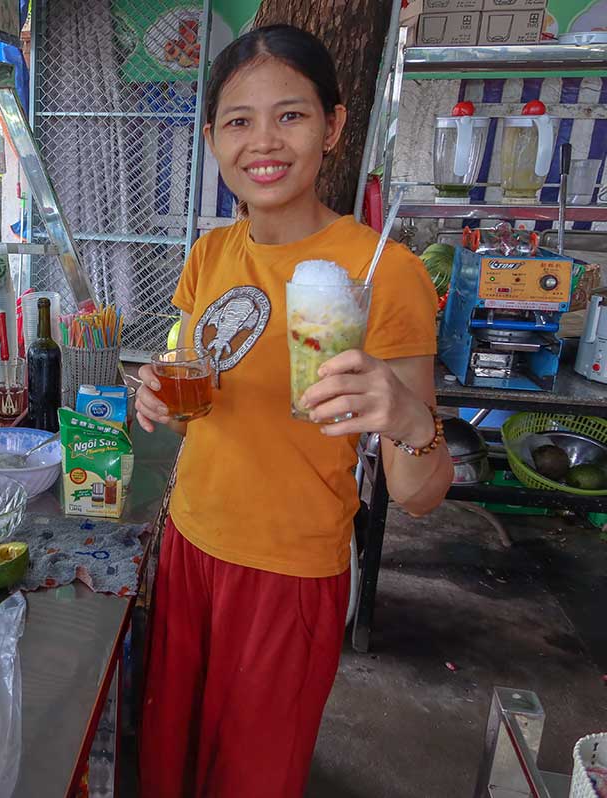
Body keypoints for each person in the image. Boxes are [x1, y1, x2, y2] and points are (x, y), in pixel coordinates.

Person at [136, 24, 453, 797]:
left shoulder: (383, 273)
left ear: (333, 126)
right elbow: (195, 401)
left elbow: (421, 494)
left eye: (291, 115)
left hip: (288, 574)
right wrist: (160, 395)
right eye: (238, 121)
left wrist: (409, 423)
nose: (263, 143)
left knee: (250, 779)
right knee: (168, 766)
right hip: (188, 547)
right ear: (212, 138)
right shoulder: (210, 255)